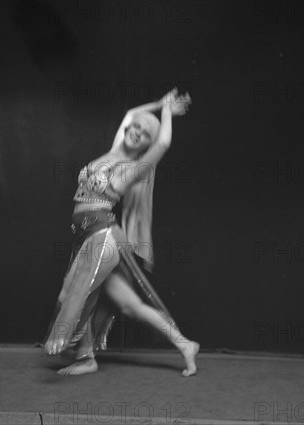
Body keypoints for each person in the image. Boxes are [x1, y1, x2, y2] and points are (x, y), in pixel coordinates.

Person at [44, 88, 199, 377]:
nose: (137, 132)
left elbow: (164, 141)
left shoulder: (136, 167)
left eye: (144, 133)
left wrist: (166, 112)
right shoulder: (115, 150)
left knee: (72, 292)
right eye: (136, 128)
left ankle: (73, 345)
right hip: (87, 235)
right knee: (129, 305)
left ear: (146, 145)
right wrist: (158, 102)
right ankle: (185, 345)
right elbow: (130, 115)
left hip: (102, 236)